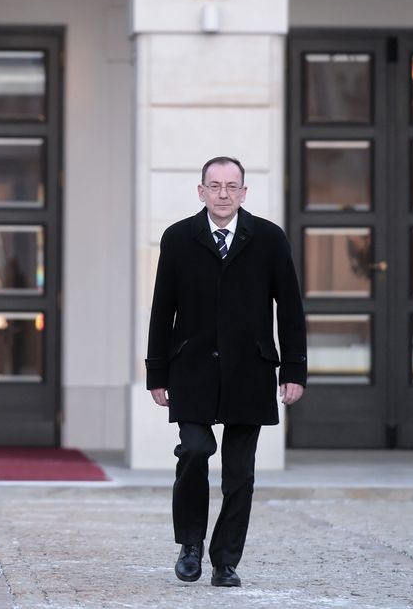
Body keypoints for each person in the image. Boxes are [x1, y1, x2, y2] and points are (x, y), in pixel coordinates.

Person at [145, 155, 307, 588]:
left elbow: (290, 309)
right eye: (214, 186)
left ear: (243, 192)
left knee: (240, 472)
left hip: (249, 370)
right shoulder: (178, 238)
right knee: (195, 451)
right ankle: (191, 546)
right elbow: (162, 310)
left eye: (231, 186)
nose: (222, 194)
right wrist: (156, 373)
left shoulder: (270, 239)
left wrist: (294, 370)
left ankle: (226, 560)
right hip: (191, 369)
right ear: (201, 191)